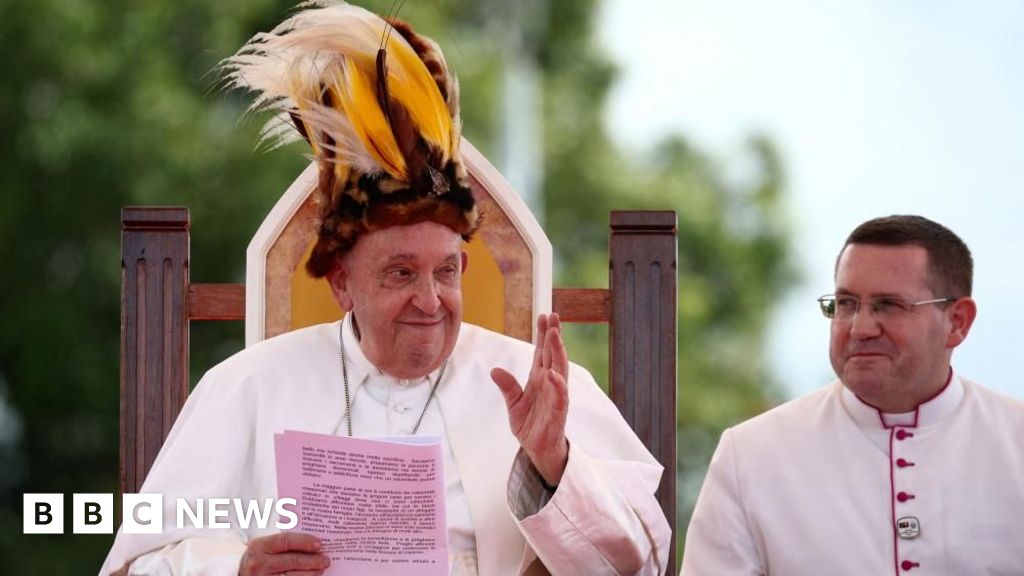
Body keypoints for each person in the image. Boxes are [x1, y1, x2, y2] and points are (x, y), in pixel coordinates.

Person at [100, 2, 670, 575]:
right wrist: (237, 568)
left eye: (446, 271)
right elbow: (139, 563)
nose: (430, 299)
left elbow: (640, 562)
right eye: (401, 273)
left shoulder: (536, 389)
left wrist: (555, 463)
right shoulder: (247, 386)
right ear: (343, 283)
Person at [680, 215, 1024, 575]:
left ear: (957, 321)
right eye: (845, 304)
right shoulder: (750, 455)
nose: (860, 328)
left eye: (888, 305)